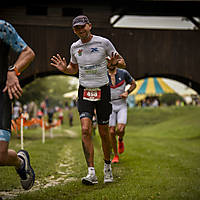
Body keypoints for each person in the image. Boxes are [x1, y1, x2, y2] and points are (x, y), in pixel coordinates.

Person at [50, 15, 126, 185]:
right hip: (84, 90)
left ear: (90, 26)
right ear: (74, 30)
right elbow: (73, 68)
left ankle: (107, 167)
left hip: (103, 89)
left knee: (103, 132)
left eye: (83, 27)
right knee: (85, 129)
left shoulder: (103, 43)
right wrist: (65, 69)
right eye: (77, 28)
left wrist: (115, 63)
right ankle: (91, 172)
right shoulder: (74, 47)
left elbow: (123, 62)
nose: (80, 30)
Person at [0, 20, 35, 190]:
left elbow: (28, 52)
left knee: (0, 155)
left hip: (2, 94)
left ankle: (21, 163)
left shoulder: (2, 28)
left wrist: (13, 71)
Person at [107, 64, 136, 163]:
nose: (110, 64)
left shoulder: (123, 73)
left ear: (115, 62)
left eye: (112, 61)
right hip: (110, 105)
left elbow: (133, 84)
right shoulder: (103, 75)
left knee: (120, 129)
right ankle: (116, 155)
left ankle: (120, 139)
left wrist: (127, 92)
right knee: (111, 132)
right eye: (108, 62)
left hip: (121, 105)